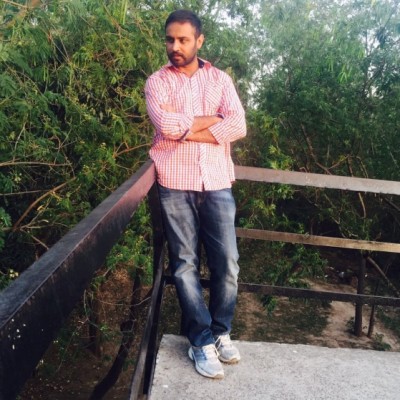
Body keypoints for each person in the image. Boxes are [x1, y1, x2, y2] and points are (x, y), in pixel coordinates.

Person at [145, 9, 246, 379]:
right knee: (184, 264)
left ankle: (221, 332)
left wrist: (185, 127)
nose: (175, 46)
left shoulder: (220, 80)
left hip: (217, 181)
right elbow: (165, 125)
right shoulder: (157, 82)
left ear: (199, 41)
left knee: (228, 262)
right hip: (174, 182)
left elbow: (238, 125)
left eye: (183, 40)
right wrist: (213, 122)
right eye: (170, 39)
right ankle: (200, 340)